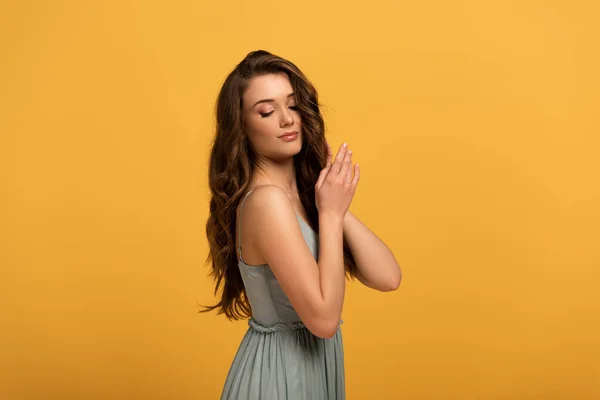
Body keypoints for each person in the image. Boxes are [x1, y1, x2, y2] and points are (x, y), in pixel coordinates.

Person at [201, 49, 402, 400]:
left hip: (310, 375)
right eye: (266, 111)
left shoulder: (305, 200)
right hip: (279, 379)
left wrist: (330, 206)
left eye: (292, 105)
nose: (286, 119)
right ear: (242, 128)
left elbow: (388, 278)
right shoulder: (266, 202)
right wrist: (329, 214)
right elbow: (324, 322)